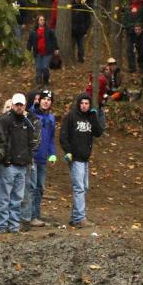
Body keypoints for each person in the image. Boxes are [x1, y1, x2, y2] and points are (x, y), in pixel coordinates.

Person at [0, 93, 39, 233]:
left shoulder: (27, 122)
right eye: (16, 104)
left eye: (21, 105)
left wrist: (28, 160)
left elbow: (32, 142)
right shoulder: (4, 120)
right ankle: (1, 225)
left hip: (22, 166)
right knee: (4, 197)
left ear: (24, 106)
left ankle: (13, 226)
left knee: (17, 198)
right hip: (8, 165)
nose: (18, 107)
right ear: (12, 105)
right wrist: (4, 159)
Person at [59, 93, 104, 228]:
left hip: (85, 158)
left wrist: (94, 116)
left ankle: (75, 217)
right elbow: (63, 136)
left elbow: (98, 132)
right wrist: (68, 151)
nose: (84, 106)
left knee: (84, 187)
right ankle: (80, 218)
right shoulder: (71, 117)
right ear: (78, 104)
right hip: (75, 157)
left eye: (87, 104)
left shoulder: (90, 117)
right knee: (79, 188)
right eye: (82, 103)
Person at [25, 89, 58, 226]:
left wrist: (52, 153)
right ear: (39, 100)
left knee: (40, 187)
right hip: (32, 156)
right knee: (31, 186)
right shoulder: (31, 114)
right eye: (44, 99)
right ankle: (29, 216)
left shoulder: (51, 118)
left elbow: (51, 138)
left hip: (43, 158)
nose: (46, 102)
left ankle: (36, 214)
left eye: (49, 100)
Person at [27, 14, 59, 86]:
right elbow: (30, 41)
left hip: (47, 52)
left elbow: (54, 40)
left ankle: (46, 82)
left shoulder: (49, 30)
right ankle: (38, 82)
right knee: (38, 67)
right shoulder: (33, 32)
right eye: (41, 20)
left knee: (44, 67)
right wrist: (28, 48)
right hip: (37, 52)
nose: (42, 21)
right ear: (38, 21)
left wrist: (56, 48)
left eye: (43, 20)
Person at [122, 0, 143, 73]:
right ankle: (132, 68)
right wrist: (133, 27)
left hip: (141, 34)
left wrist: (140, 27)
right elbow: (125, 21)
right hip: (130, 33)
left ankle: (141, 66)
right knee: (129, 49)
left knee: (141, 50)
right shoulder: (128, 8)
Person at [70, 0, 91, 64]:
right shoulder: (71, 6)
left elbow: (88, 19)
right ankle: (71, 57)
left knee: (81, 45)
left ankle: (81, 58)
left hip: (81, 31)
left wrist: (85, 29)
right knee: (72, 45)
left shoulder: (84, 7)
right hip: (72, 30)